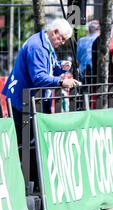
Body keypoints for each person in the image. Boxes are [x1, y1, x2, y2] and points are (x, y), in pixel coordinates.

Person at [1, 18, 80, 146]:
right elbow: (38, 77)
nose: (63, 43)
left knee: (30, 143)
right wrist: (61, 82)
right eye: (62, 38)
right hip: (22, 103)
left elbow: (46, 68)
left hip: (28, 100)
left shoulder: (43, 41)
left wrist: (60, 66)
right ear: (54, 32)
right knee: (23, 145)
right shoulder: (37, 47)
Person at [76, 20, 100, 84]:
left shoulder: (81, 41)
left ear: (89, 30)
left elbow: (77, 59)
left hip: (83, 72)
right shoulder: (100, 41)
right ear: (99, 30)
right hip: (96, 72)